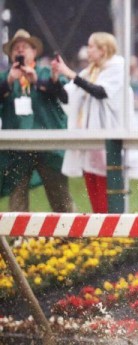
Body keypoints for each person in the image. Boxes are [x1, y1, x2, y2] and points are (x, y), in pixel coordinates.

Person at [53, 32, 138, 213]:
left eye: (91, 46)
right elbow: (67, 96)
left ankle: (111, 232)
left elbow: (101, 92)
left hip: (109, 138)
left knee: (106, 188)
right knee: (92, 184)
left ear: (103, 50)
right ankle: (100, 231)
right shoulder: (90, 71)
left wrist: (71, 74)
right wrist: (55, 79)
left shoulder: (117, 68)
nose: (88, 50)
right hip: (89, 138)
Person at [0, 29, 74, 212]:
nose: (20, 50)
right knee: (17, 196)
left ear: (34, 52)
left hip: (48, 144)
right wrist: (9, 81)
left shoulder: (46, 72)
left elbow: (63, 95)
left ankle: (71, 237)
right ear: (10, 55)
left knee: (60, 194)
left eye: (24, 47)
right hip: (17, 147)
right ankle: (19, 238)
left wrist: (37, 82)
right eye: (15, 48)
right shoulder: (5, 77)